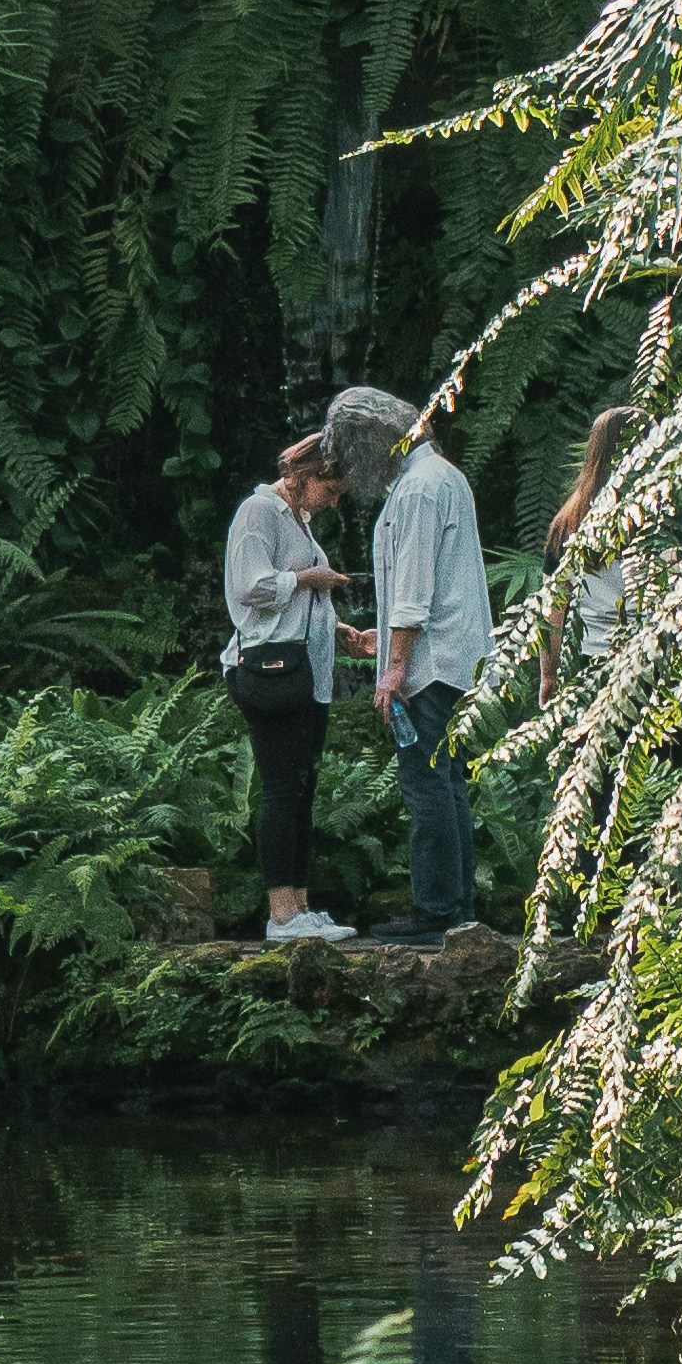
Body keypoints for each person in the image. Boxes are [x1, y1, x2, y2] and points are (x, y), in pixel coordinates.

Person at [320, 376, 491, 940]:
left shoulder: (418, 488)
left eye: (348, 450)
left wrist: (394, 667)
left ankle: (436, 913)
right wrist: (386, 639)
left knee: (425, 785)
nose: (345, 467)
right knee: (450, 783)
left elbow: (415, 590)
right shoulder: (443, 476)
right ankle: (459, 910)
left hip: (430, 665)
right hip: (455, 656)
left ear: (373, 439)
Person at [219, 432, 351, 943]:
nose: (334, 500)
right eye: (331, 489)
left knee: (302, 790)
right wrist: (306, 579)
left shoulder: (299, 521)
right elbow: (249, 587)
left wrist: (337, 631)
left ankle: (300, 905)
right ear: (303, 475)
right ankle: (281, 914)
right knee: (280, 789)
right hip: (270, 669)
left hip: (307, 668)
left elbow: (295, 603)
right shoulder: (258, 512)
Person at [536, 401, 634, 700]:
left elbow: (553, 608)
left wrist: (549, 676)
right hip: (651, 657)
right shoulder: (664, 515)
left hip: (589, 662)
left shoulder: (569, 522)